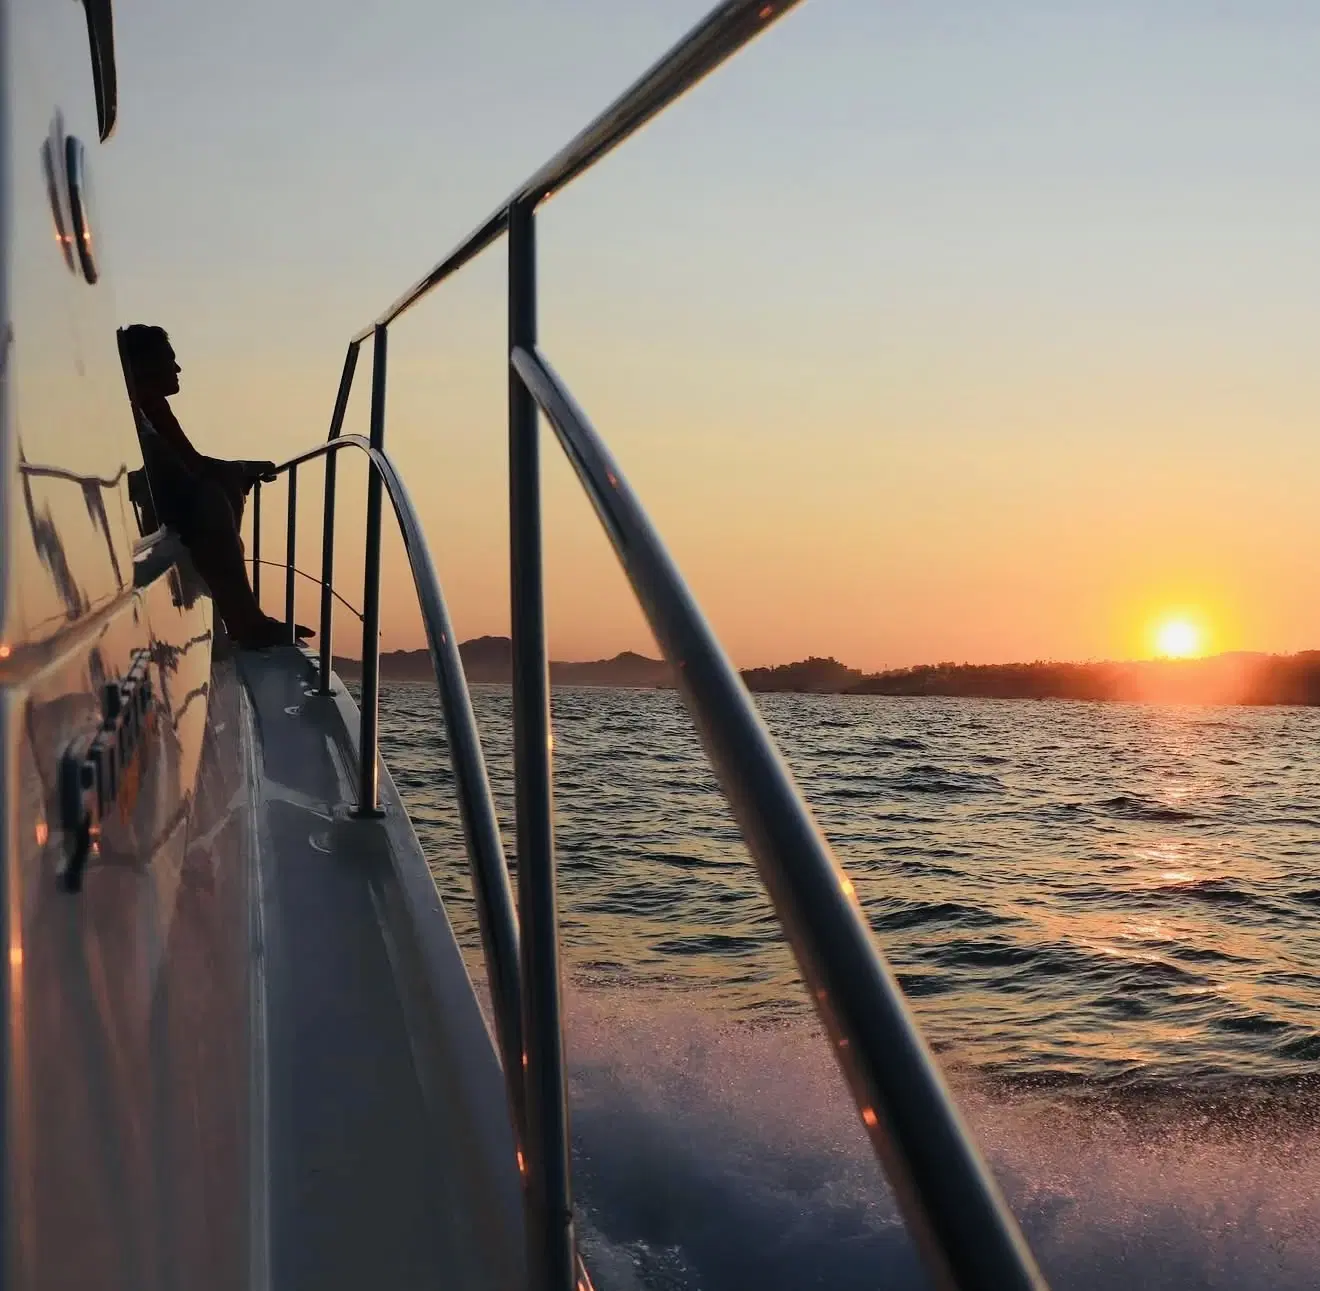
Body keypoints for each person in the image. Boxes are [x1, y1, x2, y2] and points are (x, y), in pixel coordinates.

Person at [120, 323, 311, 648]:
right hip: (145, 504)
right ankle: (245, 621)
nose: (178, 367)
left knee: (219, 485)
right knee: (211, 496)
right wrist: (226, 473)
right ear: (143, 365)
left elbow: (191, 462)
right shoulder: (128, 411)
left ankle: (243, 616)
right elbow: (171, 469)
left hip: (161, 497)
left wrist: (238, 469)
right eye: (170, 359)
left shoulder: (154, 408)